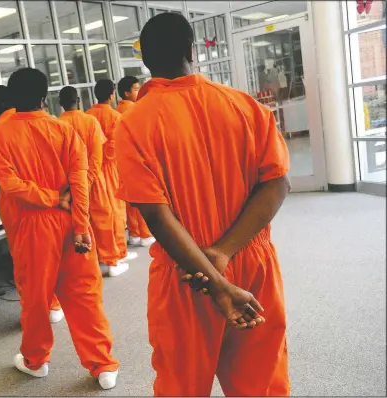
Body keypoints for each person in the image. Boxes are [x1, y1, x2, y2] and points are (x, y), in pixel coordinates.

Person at [115, 13, 291, 396]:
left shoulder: (133, 123)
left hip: (188, 274)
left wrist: (215, 282)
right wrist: (224, 253)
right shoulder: (245, 107)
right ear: (192, 51)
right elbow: (277, 184)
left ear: (144, 60)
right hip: (249, 262)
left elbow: (156, 215)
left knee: (181, 385)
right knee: (262, 381)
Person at [0, 68, 120, 389]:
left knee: (35, 298)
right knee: (85, 295)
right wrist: (82, 225)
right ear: (45, 97)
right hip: (71, 221)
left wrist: (48, 199)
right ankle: (103, 366)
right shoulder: (64, 131)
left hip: (30, 226)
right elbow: (80, 183)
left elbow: (8, 185)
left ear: (11, 98)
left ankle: (36, 360)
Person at [0, 85, 63, 323]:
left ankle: (41, 314)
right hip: (58, 207)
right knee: (56, 260)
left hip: (21, 211)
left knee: (28, 268)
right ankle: (55, 304)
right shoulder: (52, 125)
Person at [58, 86, 123, 275]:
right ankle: (110, 261)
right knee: (103, 217)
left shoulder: (57, 125)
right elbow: (97, 156)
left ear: (60, 103)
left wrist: (72, 186)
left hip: (68, 185)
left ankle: (89, 263)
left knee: (77, 223)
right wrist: (88, 180)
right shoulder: (89, 121)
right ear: (77, 100)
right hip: (94, 178)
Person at [86, 80, 132, 277]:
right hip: (109, 168)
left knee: (98, 215)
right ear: (112, 95)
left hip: (90, 170)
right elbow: (116, 145)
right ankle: (116, 256)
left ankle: (109, 255)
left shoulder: (87, 116)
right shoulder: (115, 116)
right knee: (116, 213)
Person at [116, 76, 155, 248]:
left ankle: (134, 234)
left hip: (120, 163)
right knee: (142, 198)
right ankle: (145, 234)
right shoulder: (136, 110)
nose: (138, 92)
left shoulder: (116, 110)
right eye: (136, 89)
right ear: (126, 93)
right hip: (138, 160)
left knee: (129, 201)